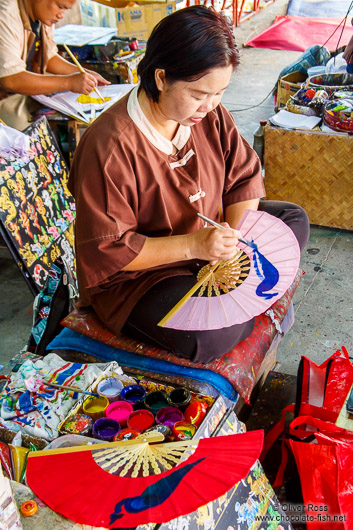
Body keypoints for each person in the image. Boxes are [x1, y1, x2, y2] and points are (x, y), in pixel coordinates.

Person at [69, 6, 310, 364]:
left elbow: (241, 178)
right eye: (199, 94)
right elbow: (110, 251)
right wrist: (195, 246)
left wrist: (235, 238)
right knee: (209, 336)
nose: (210, 106)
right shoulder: (108, 146)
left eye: (219, 93)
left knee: (292, 219)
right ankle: (244, 302)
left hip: (206, 239)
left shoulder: (209, 114)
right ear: (162, 78)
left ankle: (237, 292)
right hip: (144, 276)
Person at [0, 0, 109, 130]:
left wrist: (82, 73)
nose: (61, 15)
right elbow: (10, 79)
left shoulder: (42, 15)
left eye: (65, 10)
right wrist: (69, 82)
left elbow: (49, 56)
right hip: (6, 95)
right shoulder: (6, 14)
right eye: (60, 7)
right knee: (27, 132)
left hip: (23, 86)